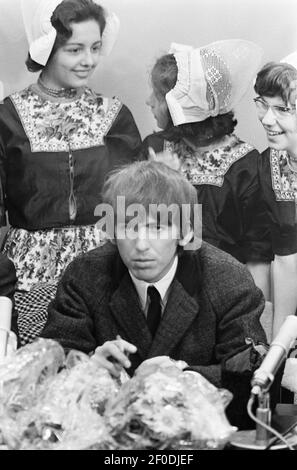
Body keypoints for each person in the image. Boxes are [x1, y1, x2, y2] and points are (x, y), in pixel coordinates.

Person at [41, 160, 275, 429]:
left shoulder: (227, 280)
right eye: (128, 227)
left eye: (157, 228)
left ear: (185, 232)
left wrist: (183, 376)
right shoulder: (84, 275)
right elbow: (48, 374)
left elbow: (252, 381)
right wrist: (88, 369)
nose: (141, 245)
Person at [0, 0, 142, 344]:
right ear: (48, 47)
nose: (89, 60)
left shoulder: (114, 116)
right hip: (28, 275)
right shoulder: (8, 117)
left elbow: (135, 207)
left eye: (95, 48)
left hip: (104, 270)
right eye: (74, 49)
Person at [142, 40, 273, 302]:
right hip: (157, 296)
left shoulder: (246, 168)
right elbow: (129, 229)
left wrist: (256, 327)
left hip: (222, 300)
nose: (148, 102)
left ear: (179, 107)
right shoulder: (154, 149)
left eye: (156, 96)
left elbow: (258, 259)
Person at [254, 57, 297, 338]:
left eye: (281, 109)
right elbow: (286, 258)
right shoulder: (271, 165)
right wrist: (279, 343)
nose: (268, 120)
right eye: (263, 105)